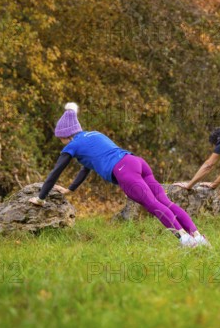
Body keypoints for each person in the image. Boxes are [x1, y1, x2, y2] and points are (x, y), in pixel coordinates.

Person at [28, 103, 210, 247]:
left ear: (65, 135)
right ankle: (198, 237)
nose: (60, 141)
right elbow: (86, 167)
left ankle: (185, 240)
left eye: (59, 137)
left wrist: (41, 198)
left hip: (124, 171)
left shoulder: (71, 146)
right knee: (165, 202)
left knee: (153, 205)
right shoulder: (93, 135)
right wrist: (70, 189)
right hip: (137, 162)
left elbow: (55, 172)